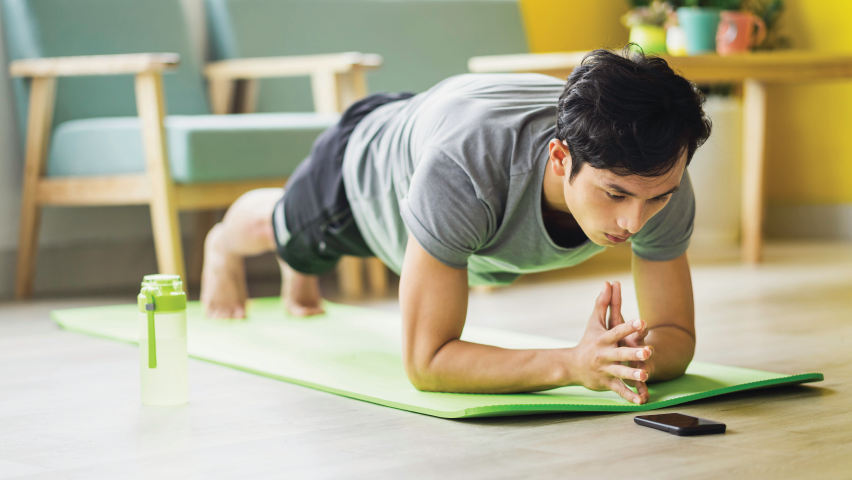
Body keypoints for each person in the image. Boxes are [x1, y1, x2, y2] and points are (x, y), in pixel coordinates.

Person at [200, 47, 712, 405]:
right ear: (561, 158)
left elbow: (677, 336)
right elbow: (428, 363)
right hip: (365, 168)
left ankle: (300, 273)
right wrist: (573, 364)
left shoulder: (658, 173)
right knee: (286, 231)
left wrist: (625, 356)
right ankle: (223, 242)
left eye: (657, 198)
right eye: (615, 194)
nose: (634, 221)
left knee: (304, 261)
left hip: (442, 128)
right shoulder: (464, 169)